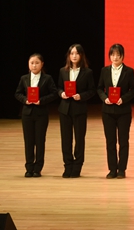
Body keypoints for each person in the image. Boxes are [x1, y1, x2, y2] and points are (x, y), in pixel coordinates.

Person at [97, 43, 134, 179]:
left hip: (123, 111)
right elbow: (99, 88)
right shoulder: (104, 71)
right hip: (107, 111)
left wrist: (123, 99)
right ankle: (112, 169)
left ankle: (122, 169)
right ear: (110, 56)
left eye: (118, 55)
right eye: (113, 55)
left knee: (123, 141)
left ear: (122, 56)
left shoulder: (129, 71)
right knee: (110, 141)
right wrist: (105, 98)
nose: (115, 57)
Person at [15, 53, 58, 177]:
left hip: (41, 113)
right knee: (29, 141)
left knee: (40, 141)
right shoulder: (24, 78)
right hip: (27, 113)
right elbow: (18, 93)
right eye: (32, 63)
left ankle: (38, 168)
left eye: (37, 63)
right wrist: (25, 100)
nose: (34, 65)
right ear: (28, 65)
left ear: (42, 64)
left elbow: (54, 93)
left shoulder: (47, 78)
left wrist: (41, 101)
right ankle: (29, 167)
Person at [57, 44, 95, 178]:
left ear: (81, 55)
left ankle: (77, 166)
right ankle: (68, 165)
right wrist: (61, 93)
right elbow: (58, 87)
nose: (74, 56)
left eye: (77, 53)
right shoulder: (63, 71)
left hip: (79, 109)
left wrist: (81, 96)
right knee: (66, 139)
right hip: (65, 109)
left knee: (79, 139)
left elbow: (92, 90)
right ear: (68, 56)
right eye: (72, 53)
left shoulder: (87, 72)